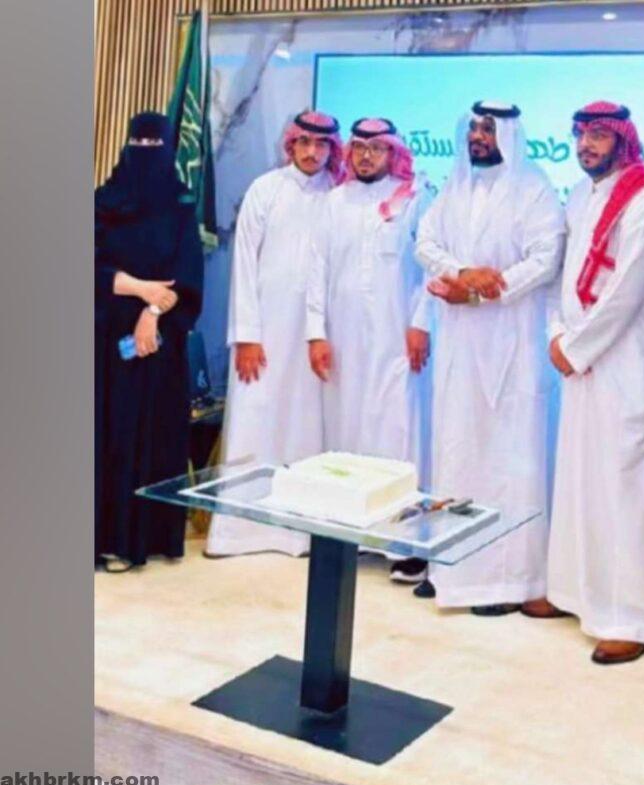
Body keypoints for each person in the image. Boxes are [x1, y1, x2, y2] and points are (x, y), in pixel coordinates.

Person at [522, 101, 644, 665]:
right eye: (580, 135)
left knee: (632, 492)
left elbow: (627, 295)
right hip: (582, 365)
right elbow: (561, 277)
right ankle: (574, 593)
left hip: (630, 369)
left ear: (623, 138)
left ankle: (637, 618)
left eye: (597, 135)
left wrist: (574, 348)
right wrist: (556, 333)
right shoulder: (580, 195)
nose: (585, 146)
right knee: (580, 482)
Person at [413, 100, 565, 614]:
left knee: (507, 459)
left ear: (509, 135)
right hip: (459, 344)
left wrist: (480, 291)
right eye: (475, 128)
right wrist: (461, 272)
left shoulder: (535, 188)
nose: (478, 137)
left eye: (489, 129)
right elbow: (425, 242)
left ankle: (505, 580)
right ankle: (452, 569)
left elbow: (546, 260)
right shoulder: (456, 185)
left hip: (512, 347)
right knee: (457, 449)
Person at [205, 110, 344, 558]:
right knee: (255, 420)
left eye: (321, 145)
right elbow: (244, 266)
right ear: (291, 145)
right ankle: (239, 532)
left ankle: (297, 533)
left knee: (306, 427)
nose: (312, 152)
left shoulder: (339, 195)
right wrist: (246, 336)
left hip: (315, 337)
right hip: (264, 333)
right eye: (305, 143)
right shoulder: (265, 190)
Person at [305, 117, 433, 583]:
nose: (365, 156)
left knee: (398, 432)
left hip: (396, 337)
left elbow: (429, 270)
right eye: (359, 148)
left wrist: (420, 323)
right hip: (343, 340)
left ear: (392, 153)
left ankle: (403, 544)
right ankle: (354, 535)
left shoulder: (414, 198)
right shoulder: (333, 202)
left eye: (376, 149)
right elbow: (316, 271)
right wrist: (316, 333)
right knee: (347, 431)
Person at [95, 111, 205, 572]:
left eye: (153, 146)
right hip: (102, 344)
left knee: (150, 438)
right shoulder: (101, 202)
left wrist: (153, 312)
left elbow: (188, 277)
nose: (144, 154)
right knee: (105, 436)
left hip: (158, 345)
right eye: (137, 145)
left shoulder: (180, 207)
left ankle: (140, 540)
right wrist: (140, 289)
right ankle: (101, 539)